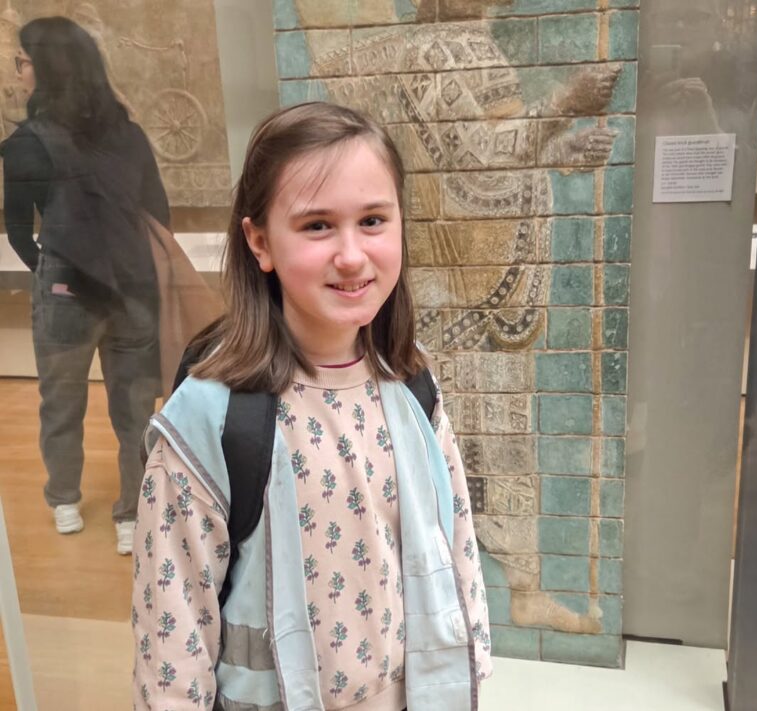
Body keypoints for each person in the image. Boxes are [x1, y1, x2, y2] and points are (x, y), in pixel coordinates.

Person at [131, 102, 492, 710]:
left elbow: (459, 555)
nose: (351, 255)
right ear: (260, 241)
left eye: (373, 220)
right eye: (318, 226)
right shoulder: (212, 417)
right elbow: (171, 633)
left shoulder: (413, 385)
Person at [2, 17, 169, 554]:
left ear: (46, 68)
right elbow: (158, 215)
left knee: (61, 401)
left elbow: (17, 230)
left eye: (23, 61)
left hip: (65, 293)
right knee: (136, 410)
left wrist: (52, 270)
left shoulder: (25, 143)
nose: (18, 71)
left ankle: (65, 499)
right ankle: (132, 512)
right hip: (134, 291)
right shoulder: (130, 134)